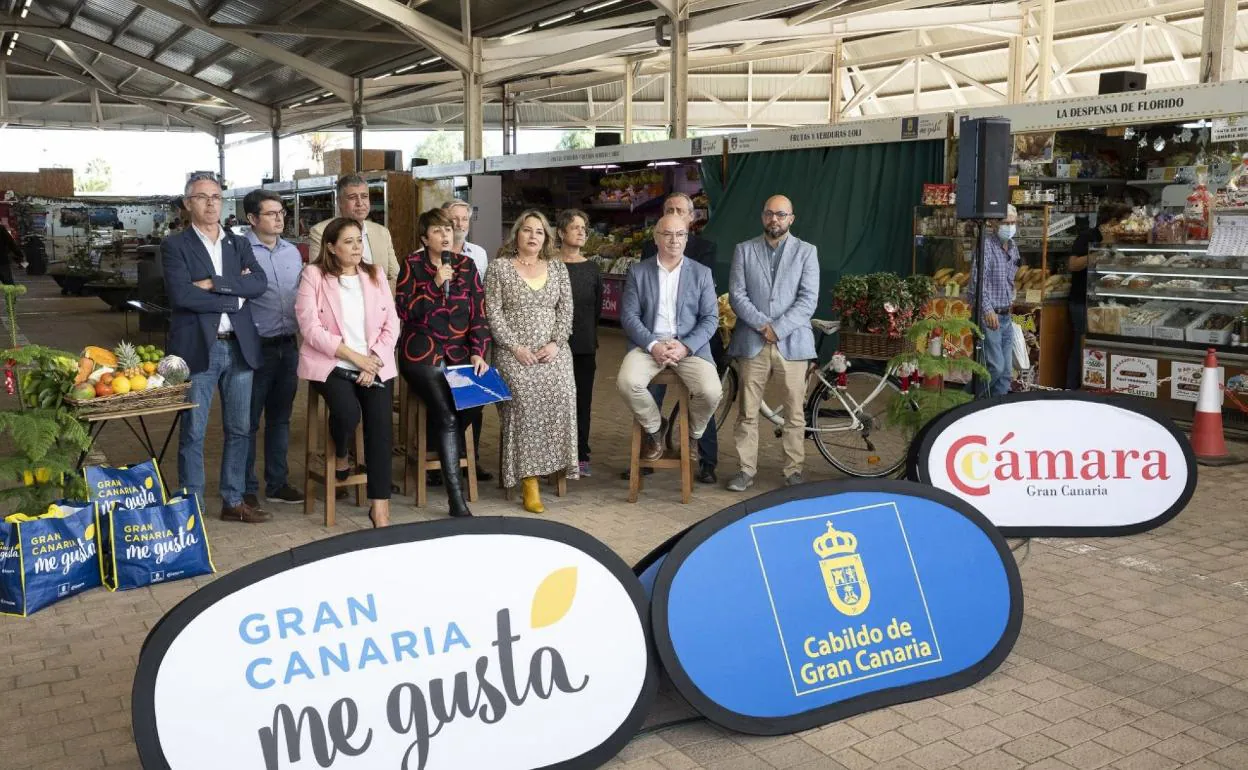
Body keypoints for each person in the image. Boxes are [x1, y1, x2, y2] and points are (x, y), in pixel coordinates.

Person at [162, 171, 269, 523]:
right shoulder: (175, 245)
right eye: (202, 197)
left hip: (239, 347)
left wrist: (216, 285)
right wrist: (233, 299)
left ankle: (233, 500)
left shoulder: (237, 243)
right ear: (187, 204)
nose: (211, 203)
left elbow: (258, 283)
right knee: (193, 430)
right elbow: (182, 295)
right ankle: (192, 504)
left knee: (240, 428)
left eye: (216, 197)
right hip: (198, 349)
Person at [295, 217, 400, 527]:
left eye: (359, 241)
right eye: (349, 242)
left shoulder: (375, 274)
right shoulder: (313, 275)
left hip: (374, 363)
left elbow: (391, 323)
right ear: (331, 246)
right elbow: (309, 328)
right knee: (348, 414)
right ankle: (341, 453)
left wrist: (374, 360)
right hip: (333, 364)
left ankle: (379, 506)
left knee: (380, 428)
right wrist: (355, 357)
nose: (357, 247)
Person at [396, 208, 490, 518]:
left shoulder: (467, 264)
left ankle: (441, 447)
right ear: (425, 238)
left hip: (461, 354)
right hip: (422, 353)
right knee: (449, 419)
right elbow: (405, 310)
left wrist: (478, 351)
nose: (446, 235)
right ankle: (456, 501)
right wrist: (435, 283)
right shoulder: (413, 265)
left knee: (475, 403)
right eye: (437, 231)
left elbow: (478, 313)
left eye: (448, 229)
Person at [485, 210, 579, 513]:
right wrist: (515, 347)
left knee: (563, 392)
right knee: (525, 399)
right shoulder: (499, 268)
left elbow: (566, 312)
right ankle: (529, 480)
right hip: (514, 353)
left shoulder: (558, 269)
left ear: (547, 238)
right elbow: (493, 313)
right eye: (527, 230)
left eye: (539, 232)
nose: (533, 236)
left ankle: (557, 464)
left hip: (552, 350)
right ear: (517, 234)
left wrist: (555, 343)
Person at [725, 194, 820, 492]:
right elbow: (737, 295)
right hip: (752, 341)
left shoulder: (807, 252)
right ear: (762, 216)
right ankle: (745, 470)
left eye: (781, 214)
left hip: (792, 342)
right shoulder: (744, 250)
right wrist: (761, 325)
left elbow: (808, 300)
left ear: (792, 218)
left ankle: (793, 471)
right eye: (769, 213)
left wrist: (777, 328)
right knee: (747, 411)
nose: (774, 219)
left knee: (794, 411)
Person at [617, 213, 722, 465]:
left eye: (680, 234)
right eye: (667, 234)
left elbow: (710, 319)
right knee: (627, 382)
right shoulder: (638, 272)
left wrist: (685, 346)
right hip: (648, 346)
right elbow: (629, 316)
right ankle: (655, 428)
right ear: (656, 238)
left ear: (687, 238)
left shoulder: (702, 273)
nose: (674, 240)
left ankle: (693, 435)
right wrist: (653, 345)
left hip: (689, 347)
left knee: (711, 391)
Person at [241, 189, 305, 510]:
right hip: (255, 348)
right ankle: (247, 486)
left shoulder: (292, 252)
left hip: (288, 346)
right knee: (248, 421)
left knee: (280, 419)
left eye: (281, 213)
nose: (279, 218)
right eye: (271, 213)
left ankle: (277, 483)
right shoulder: (239, 251)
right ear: (252, 219)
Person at [441, 197, 493, 481]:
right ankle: (441, 457)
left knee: (477, 395)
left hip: (470, 342)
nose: (459, 224)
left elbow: (480, 301)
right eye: (453, 219)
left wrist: (479, 345)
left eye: (464, 219)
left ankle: (468, 457)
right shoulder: (424, 254)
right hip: (438, 343)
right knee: (442, 398)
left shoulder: (479, 255)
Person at [557, 209, 603, 478]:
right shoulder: (551, 266)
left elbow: (595, 309)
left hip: (584, 345)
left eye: (584, 227)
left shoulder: (592, 268)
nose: (581, 231)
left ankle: (581, 453)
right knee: (556, 402)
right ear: (561, 233)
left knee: (581, 402)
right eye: (575, 227)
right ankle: (554, 454)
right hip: (553, 347)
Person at [1067, 202, 1132, 390]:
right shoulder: (1087, 237)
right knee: (1083, 342)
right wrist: (1100, 249)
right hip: (1083, 301)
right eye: (1123, 223)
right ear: (1111, 222)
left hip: (1111, 301)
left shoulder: (1123, 240)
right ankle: (1073, 387)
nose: (1125, 228)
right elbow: (1073, 265)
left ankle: (1100, 385)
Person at [308, 174, 400, 289]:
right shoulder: (320, 232)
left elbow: (396, 276)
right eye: (352, 197)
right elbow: (320, 280)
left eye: (364, 196)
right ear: (339, 202)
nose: (360, 203)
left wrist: (376, 298)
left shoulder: (382, 232)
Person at [967, 204, 1022, 397]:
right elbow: (977, 282)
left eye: (1013, 223)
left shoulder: (1014, 248)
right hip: (989, 315)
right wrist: (987, 310)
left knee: (1006, 373)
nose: (1010, 226)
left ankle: (997, 411)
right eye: (1006, 223)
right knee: (996, 367)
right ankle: (967, 399)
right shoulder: (986, 245)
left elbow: (1010, 280)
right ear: (994, 223)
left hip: (1005, 314)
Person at [443, 199, 490, 280]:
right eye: (455, 218)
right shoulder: (428, 254)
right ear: (443, 221)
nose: (460, 224)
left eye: (465, 219)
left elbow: (483, 289)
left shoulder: (480, 253)